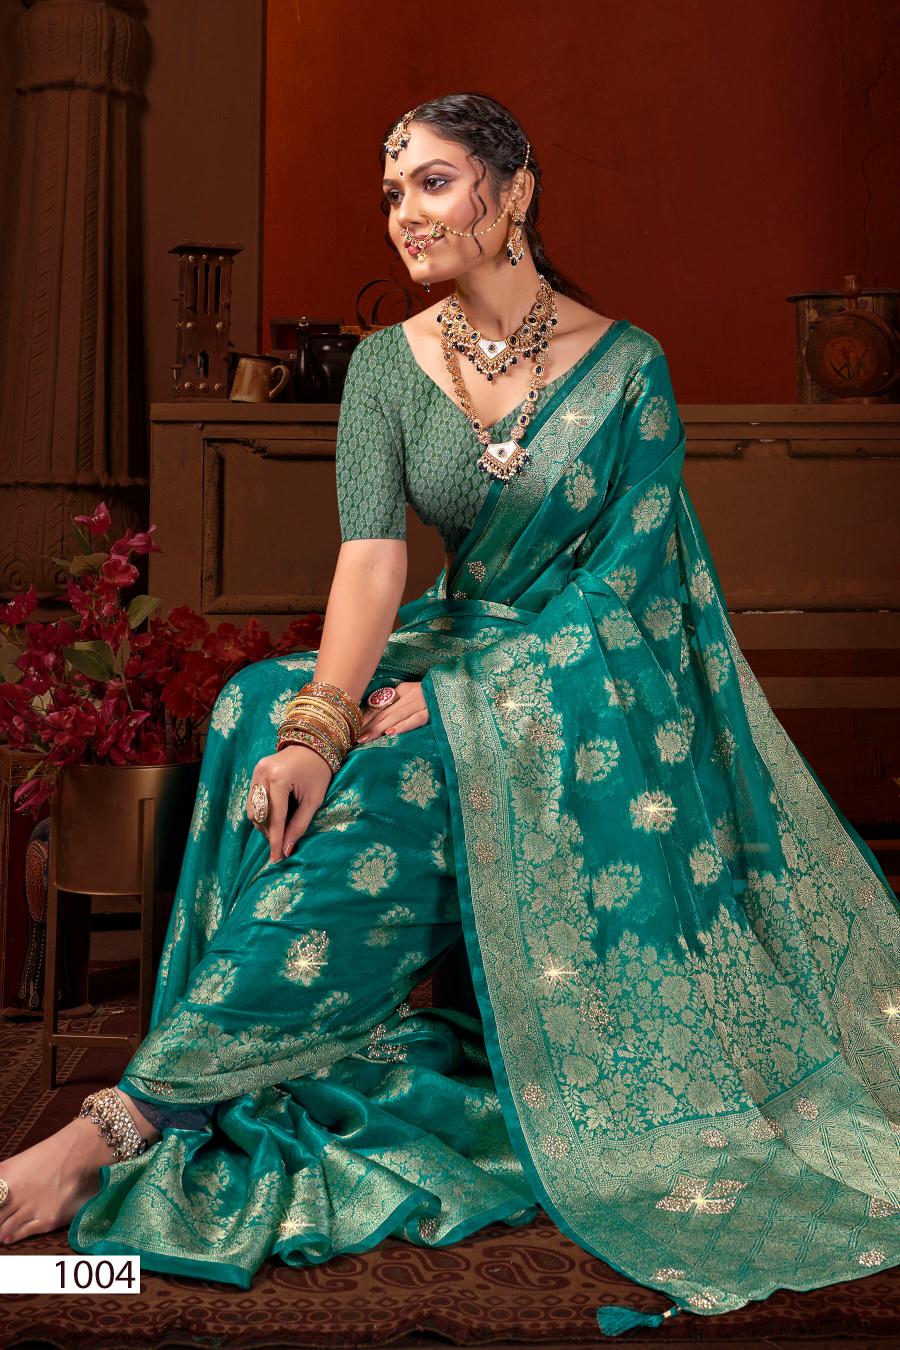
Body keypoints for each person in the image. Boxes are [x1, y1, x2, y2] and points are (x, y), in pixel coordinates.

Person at [0, 92, 897, 1335]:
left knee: (411, 770)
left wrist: (471, 699)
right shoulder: (389, 365)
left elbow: (625, 589)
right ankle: (256, 1060)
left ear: (512, 191)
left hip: (583, 686)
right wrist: (318, 724)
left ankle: (127, 1120)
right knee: (260, 706)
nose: (402, 215)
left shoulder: (628, 368)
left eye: (430, 182)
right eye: (390, 193)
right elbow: (372, 561)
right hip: (449, 635)